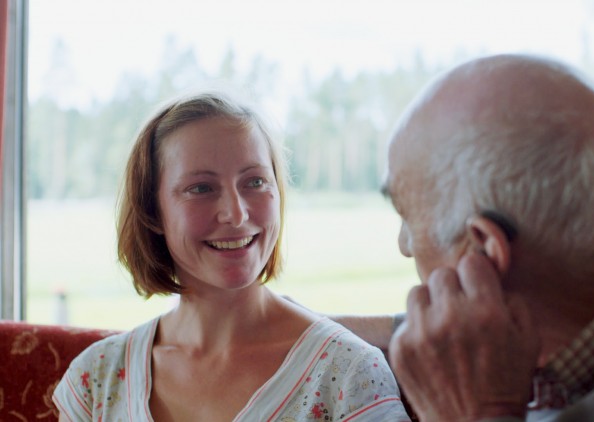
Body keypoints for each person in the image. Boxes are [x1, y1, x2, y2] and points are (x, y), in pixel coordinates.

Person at [347, 53, 594, 421]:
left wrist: (482, 414)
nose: (405, 246)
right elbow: (431, 329)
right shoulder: (566, 326)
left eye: (406, 216)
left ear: (485, 250)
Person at [52, 91, 410, 421]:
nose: (236, 214)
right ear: (153, 211)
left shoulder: (350, 374)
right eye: (201, 188)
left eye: (254, 182)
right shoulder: (95, 381)